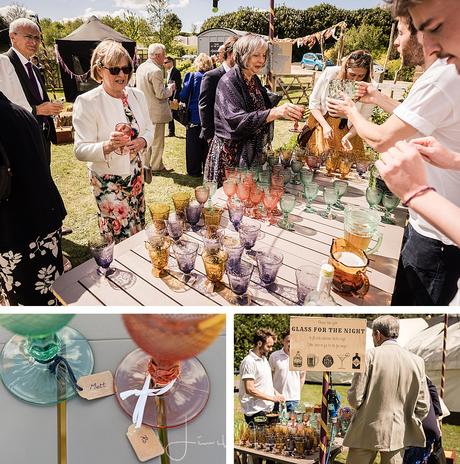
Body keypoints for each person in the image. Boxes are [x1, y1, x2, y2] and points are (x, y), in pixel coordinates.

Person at [328, 15, 460, 306]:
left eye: (400, 33)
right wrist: (377, 98)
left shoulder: (442, 76)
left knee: (411, 304)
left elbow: (380, 138)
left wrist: (351, 111)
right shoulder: (445, 73)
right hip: (430, 221)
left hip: (439, 234)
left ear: (422, 31)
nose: (397, 42)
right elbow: (416, 117)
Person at [72, 40, 153, 243]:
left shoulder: (137, 95)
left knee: (137, 225)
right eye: (115, 69)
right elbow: (80, 149)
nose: (122, 75)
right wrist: (108, 145)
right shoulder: (87, 102)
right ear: (99, 71)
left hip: (135, 175)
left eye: (126, 68)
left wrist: (143, 141)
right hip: (108, 181)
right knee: (120, 235)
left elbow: (149, 128)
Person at [204, 34, 304, 186]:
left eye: (263, 55)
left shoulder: (253, 78)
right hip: (231, 156)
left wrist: (283, 110)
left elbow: (262, 107)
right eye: (256, 55)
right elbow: (237, 121)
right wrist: (274, 113)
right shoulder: (229, 81)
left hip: (249, 154)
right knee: (229, 203)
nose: (261, 60)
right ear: (242, 55)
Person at [0, 92, 66, 305]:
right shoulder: (21, 113)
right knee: (53, 296)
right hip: (44, 222)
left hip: (14, 233)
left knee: (27, 309)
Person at [344, 315, 429, 464]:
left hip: (366, 429)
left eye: (372, 335)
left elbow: (355, 398)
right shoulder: (417, 361)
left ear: (377, 334)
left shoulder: (368, 356)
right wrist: (406, 421)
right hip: (398, 432)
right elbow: (423, 405)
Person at [6, 18, 63, 165]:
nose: (34, 42)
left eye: (37, 38)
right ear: (13, 36)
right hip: (19, 139)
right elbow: (5, 104)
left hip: (41, 136)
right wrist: (36, 110)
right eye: (29, 37)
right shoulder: (3, 63)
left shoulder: (35, 70)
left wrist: (50, 108)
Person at [307, 49, 375, 158]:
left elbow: (363, 118)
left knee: (346, 165)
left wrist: (347, 136)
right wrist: (325, 126)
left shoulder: (371, 87)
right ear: (345, 68)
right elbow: (313, 103)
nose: (355, 79)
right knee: (319, 161)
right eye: (352, 74)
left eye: (361, 76)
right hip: (323, 124)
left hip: (350, 130)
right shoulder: (331, 73)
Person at [135, 43, 175, 182]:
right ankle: (157, 166)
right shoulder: (156, 70)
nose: (164, 58)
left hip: (143, 111)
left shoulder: (141, 67)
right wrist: (170, 89)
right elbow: (160, 94)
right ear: (158, 55)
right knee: (157, 141)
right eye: (164, 55)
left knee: (146, 140)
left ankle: (146, 165)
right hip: (156, 111)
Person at [239, 328, 285, 426]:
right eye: (269, 346)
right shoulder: (249, 361)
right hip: (255, 411)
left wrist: (277, 394)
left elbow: (265, 383)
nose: (271, 349)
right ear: (259, 343)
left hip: (267, 409)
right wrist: (272, 398)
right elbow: (250, 389)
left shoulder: (264, 359)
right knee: (259, 440)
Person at [199, 35, 238, 144]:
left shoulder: (241, 76)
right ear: (230, 54)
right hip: (217, 138)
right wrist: (210, 138)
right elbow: (204, 107)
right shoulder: (211, 76)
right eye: (240, 54)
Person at [179, 53, 213, 177]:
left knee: (193, 146)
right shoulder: (213, 77)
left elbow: (183, 96)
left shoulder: (192, 76)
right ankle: (208, 170)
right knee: (207, 146)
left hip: (194, 116)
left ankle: (194, 170)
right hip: (209, 118)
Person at [403, 377, 443, 464]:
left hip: (418, 428)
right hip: (428, 427)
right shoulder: (423, 375)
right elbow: (432, 390)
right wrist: (437, 419)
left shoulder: (409, 373)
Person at [269, 332, 305, 413]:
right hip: (276, 398)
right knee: (276, 424)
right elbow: (269, 377)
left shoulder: (301, 356)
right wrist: (275, 392)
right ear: (283, 341)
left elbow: (302, 376)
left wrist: (297, 392)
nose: (290, 344)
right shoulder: (274, 356)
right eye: (288, 341)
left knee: (292, 424)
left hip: (294, 400)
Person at [164, 56, 182, 137]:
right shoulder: (168, 72)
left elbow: (178, 86)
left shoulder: (176, 72)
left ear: (171, 62)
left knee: (174, 114)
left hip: (174, 97)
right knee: (170, 114)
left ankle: (186, 124)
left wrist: (175, 98)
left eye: (166, 62)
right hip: (169, 97)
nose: (164, 64)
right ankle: (171, 132)